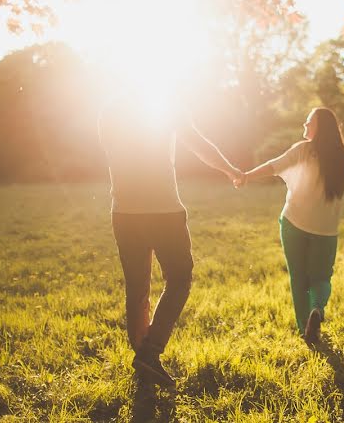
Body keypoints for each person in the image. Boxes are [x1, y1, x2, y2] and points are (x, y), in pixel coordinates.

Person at [99, 89, 243, 389]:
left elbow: (114, 156)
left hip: (124, 212)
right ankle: (150, 352)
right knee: (179, 279)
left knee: (137, 288)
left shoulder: (110, 108)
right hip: (164, 210)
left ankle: (144, 359)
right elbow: (199, 144)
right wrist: (230, 169)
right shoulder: (166, 104)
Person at [243, 107, 344, 343]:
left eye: (308, 122)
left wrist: (246, 176)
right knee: (321, 277)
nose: (304, 125)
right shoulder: (342, 157)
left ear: (320, 127)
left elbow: (274, 166)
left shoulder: (303, 150)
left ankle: (305, 329)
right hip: (325, 229)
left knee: (298, 278)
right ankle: (317, 309)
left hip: (294, 223)